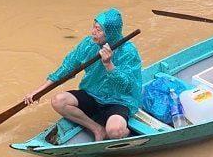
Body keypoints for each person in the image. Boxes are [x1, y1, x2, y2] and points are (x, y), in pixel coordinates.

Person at [24, 8, 142, 141]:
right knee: (58, 101)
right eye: (94, 27)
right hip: (92, 94)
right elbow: (67, 67)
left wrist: (109, 65)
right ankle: (97, 129)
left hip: (118, 100)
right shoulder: (88, 44)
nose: (93, 32)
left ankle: (126, 134)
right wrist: (39, 90)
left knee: (114, 131)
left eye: (98, 29)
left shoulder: (128, 52)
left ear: (109, 32)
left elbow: (126, 87)